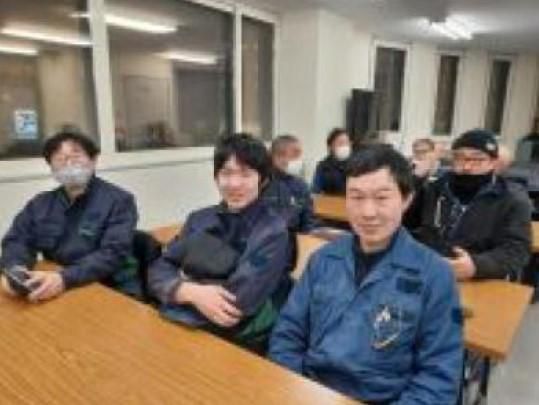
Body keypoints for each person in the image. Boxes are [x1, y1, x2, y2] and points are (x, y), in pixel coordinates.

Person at [269, 144, 463, 403]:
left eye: (382, 198)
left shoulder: (435, 275)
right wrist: (291, 390)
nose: (368, 212)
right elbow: (287, 334)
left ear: (406, 199)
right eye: (357, 197)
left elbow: (438, 378)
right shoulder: (324, 260)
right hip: (311, 392)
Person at [148, 133, 292, 352]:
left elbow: (235, 303)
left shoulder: (273, 231)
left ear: (262, 180)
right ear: (216, 178)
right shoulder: (199, 219)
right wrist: (189, 291)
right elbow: (158, 269)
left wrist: (178, 285)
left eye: (246, 174)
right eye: (226, 173)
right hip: (179, 327)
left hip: (237, 340)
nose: (234, 183)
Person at [0, 131, 139, 302]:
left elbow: (113, 253)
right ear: (51, 167)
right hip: (56, 283)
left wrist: (64, 278)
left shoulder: (119, 200)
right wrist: (14, 270)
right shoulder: (40, 204)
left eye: (76, 156)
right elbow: (17, 239)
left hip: (111, 285)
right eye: (60, 159)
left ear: (93, 160)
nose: (69, 164)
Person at [406, 129, 531, 280]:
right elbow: (404, 223)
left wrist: (476, 266)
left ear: (492, 163)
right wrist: (416, 180)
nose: (467, 167)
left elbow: (517, 250)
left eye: (477, 160)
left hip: (480, 280)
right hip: (428, 272)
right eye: (460, 158)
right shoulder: (435, 189)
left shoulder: (512, 199)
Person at [262, 134, 317, 233]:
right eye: (296, 155)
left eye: (299, 155)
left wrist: (307, 238)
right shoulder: (262, 182)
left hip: (294, 238)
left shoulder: (301, 185)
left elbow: (308, 220)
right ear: (278, 156)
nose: (299, 160)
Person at [312, 128, 351, 195]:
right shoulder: (323, 166)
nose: (345, 146)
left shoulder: (356, 164)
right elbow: (315, 191)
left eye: (347, 143)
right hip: (331, 200)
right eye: (341, 143)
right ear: (330, 146)